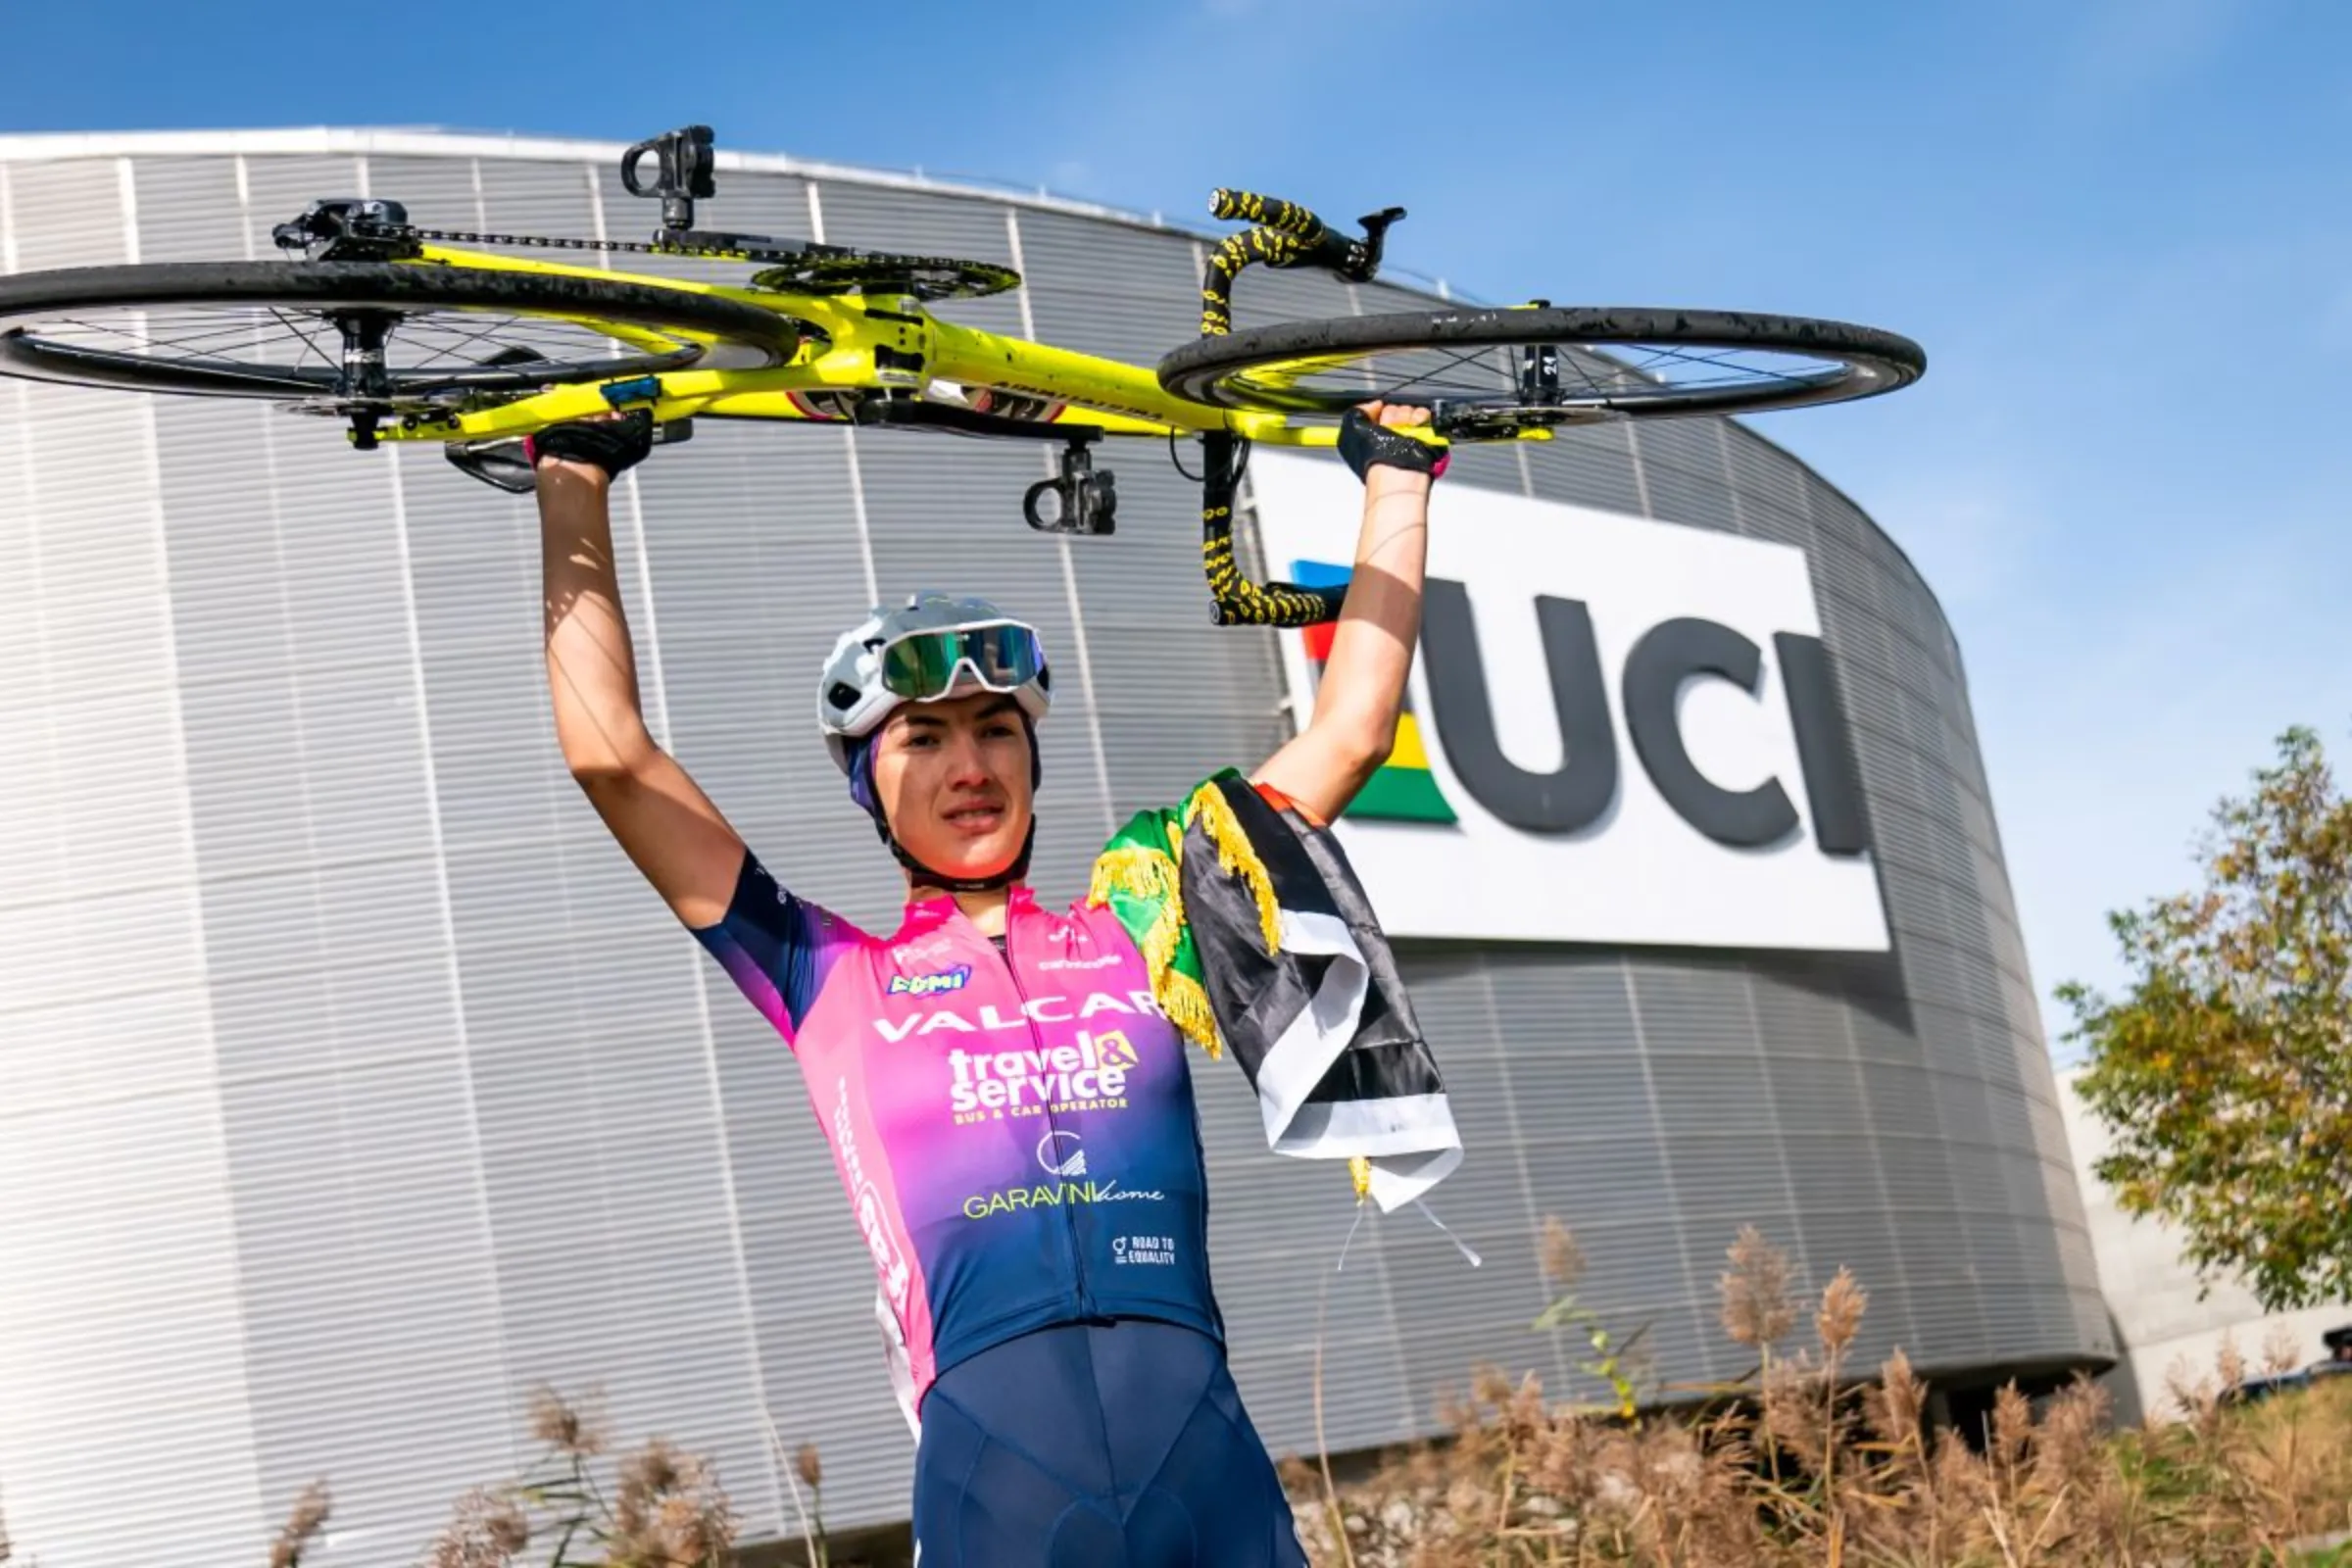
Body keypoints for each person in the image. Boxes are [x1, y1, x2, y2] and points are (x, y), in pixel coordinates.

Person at [525, 403, 1449, 1567]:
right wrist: (575, 475)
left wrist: (1400, 480)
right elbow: (612, 755)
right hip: (997, 1484)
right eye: (923, 737)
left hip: (1204, 1466)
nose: (969, 765)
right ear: (870, 780)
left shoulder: (1145, 916)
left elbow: (1355, 729)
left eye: (997, 729)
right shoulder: (821, 973)